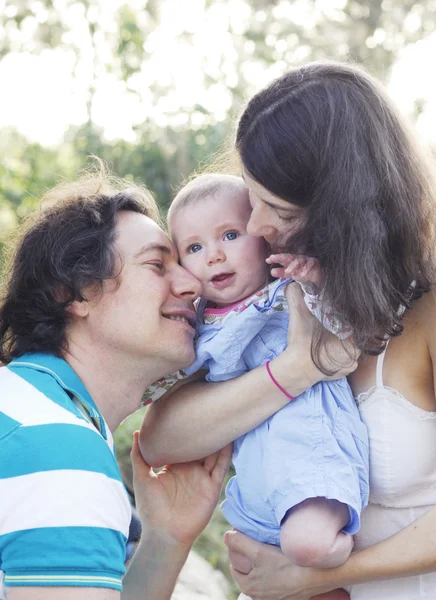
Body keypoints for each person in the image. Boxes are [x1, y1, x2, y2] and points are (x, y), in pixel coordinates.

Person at [140, 61, 436, 600]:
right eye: (251, 200)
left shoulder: (429, 312)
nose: (254, 227)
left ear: (341, 211)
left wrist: (317, 573)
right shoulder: (280, 304)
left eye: (273, 207)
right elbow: (161, 439)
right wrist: (295, 368)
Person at [0, 165, 232, 600]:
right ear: (74, 292)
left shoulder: (26, 408)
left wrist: (165, 539)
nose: (192, 283)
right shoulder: (56, 445)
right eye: (157, 264)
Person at [142, 171, 368, 585]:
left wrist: (314, 280)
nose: (213, 255)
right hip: (258, 478)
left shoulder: (289, 292)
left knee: (307, 547)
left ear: (264, 237)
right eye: (194, 247)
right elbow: (151, 386)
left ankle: (354, 549)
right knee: (255, 567)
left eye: (229, 235)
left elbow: (345, 337)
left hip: (313, 451)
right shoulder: (198, 325)